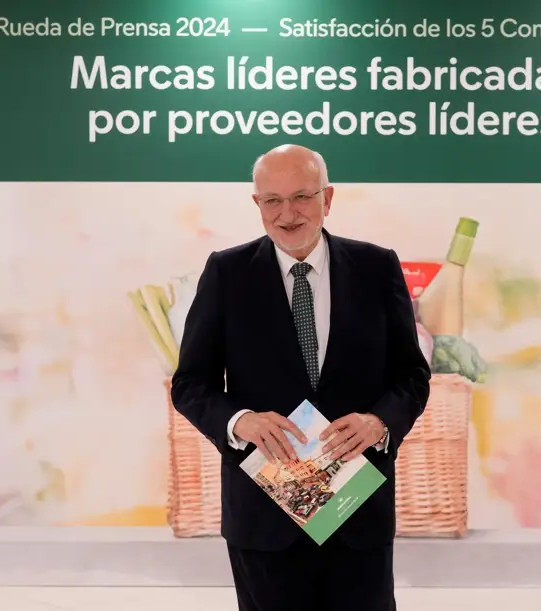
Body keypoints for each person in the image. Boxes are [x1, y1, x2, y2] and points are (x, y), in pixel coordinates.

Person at [171, 144, 431, 611]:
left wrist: (380, 422)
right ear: (257, 204)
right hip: (264, 519)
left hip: (357, 511)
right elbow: (190, 383)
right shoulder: (226, 273)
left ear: (327, 199)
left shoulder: (377, 267)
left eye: (301, 197)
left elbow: (412, 374)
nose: (287, 214)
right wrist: (240, 421)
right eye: (272, 200)